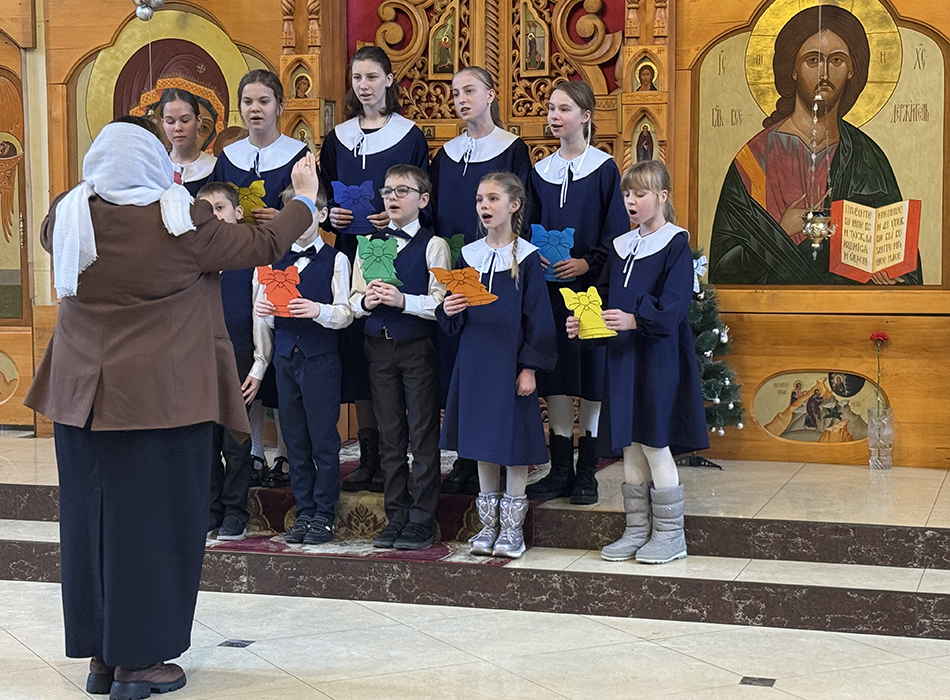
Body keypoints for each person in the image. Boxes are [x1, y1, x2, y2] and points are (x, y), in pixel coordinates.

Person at [25, 118, 319, 697]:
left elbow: (62, 217)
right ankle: (139, 664)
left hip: (80, 403)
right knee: (154, 530)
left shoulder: (67, 215)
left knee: (91, 527)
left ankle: (102, 658)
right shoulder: (182, 220)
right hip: (160, 404)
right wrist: (303, 198)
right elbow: (263, 244)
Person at [709, 5, 921, 285]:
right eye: (813, 60)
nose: (825, 73)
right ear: (793, 69)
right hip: (770, 307)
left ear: (852, 69)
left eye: (837, 60)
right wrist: (781, 232)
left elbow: (901, 261)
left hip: (848, 307)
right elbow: (722, 269)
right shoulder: (754, 159)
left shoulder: (866, 155)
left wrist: (889, 274)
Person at [567, 159, 707, 565]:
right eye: (627, 194)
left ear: (662, 196)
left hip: (657, 356)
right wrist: (585, 322)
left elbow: (675, 304)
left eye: (640, 194)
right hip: (623, 358)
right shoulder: (621, 246)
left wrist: (636, 320)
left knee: (654, 442)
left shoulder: (675, 243)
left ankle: (671, 535)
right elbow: (602, 297)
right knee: (629, 445)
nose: (631, 201)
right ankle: (636, 530)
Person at [319, 46, 430, 493]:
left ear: (388, 80)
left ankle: (395, 454)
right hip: (352, 254)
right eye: (357, 78)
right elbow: (324, 197)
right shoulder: (337, 138)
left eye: (371, 77)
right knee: (357, 352)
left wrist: (396, 214)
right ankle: (369, 456)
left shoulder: (409, 135)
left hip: (399, 252)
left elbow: (424, 194)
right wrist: (331, 217)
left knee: (394, 348)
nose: (363, 86)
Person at [439, 172, 557, 558]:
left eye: (492, 198)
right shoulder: (469, 255)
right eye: (479, 199)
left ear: (514, 205)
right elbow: (454, 317)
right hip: (475, 361)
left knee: (512, 442)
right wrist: (449, 309)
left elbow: (538, 319)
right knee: (482, 442)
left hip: (509, 363)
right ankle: (488, 525)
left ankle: (512, 530)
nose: (484, 206)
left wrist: (529, 368)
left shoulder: (526, 257)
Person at [525, 80, 629, 505]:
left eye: (564, 109)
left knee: (589, 374)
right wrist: (536, 258)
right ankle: (560, 469)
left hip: (591, 288)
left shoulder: (604, 169)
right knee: (557, 372)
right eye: (551, 108)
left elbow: (616, 233)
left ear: (585, 116)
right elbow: (529, 227)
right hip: (551, 291)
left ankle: (586, 470)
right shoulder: (539, 172)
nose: (554, 116)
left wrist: (588, 263)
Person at [429, 65, 531, 495]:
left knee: (495, 364)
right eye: (455, 93)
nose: (460, 100)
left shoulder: (511, 148)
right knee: (460, 360)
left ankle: (497, 452)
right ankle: (467, 456)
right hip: (460, 265)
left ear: (490, 95)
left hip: (502, 266)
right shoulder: (445, 155)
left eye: (469, 91)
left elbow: (523, 208)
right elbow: (433, 212)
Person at [213, 69, 311, 486]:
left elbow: (312, 204)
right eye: (248, 102)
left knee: (281, 360)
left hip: (283, 261)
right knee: (246, 358)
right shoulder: (228, 156)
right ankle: (253, 453)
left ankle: (286, 455)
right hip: (239, 266)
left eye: (264, 101)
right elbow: (215, 206)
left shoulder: (299, 153)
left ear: (280, 106)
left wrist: (284, 217)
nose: (255, 109)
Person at [349, 165, 450, 549]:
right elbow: (352, 299)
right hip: (378, 346)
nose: (392, 197)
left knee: (422, 434)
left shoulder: (433, 245)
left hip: (416, 347)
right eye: (387, 191)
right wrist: (366, 301)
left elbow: (441, 303)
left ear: (423, 200)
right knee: (389, 436)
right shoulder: (368, 243)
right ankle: (396, 514)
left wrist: (402, 300)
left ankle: (422, 518)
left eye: (402, 191)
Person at [255, 184, 353, 545]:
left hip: (320, 358)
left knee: (323, 440)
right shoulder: (272, 261)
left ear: (323, 215)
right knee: (294, 440)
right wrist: (264, 311)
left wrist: (317, 310)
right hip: (285, 360)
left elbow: (346, 312)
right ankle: (305, 510)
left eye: (307, 212)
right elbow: (265, 319)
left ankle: (324, 513)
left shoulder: (336, 260)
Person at [197, 182, 271, 542]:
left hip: (239, 357)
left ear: (238, 213)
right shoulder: (193, 262)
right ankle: (211, 509)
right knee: (206, 441)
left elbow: (260, 318)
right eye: (205, 210)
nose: (214, 215)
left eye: (220, 208)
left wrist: (258, 365)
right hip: (200, 360)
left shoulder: (251, 262)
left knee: (235, 442)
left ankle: (235, 511)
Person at [159, 88, 217, 196]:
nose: (178, 128)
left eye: (185, 120)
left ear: (198, 121)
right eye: (170, 121)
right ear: (163, 124)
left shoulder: (215, 168)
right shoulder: (157, 169)